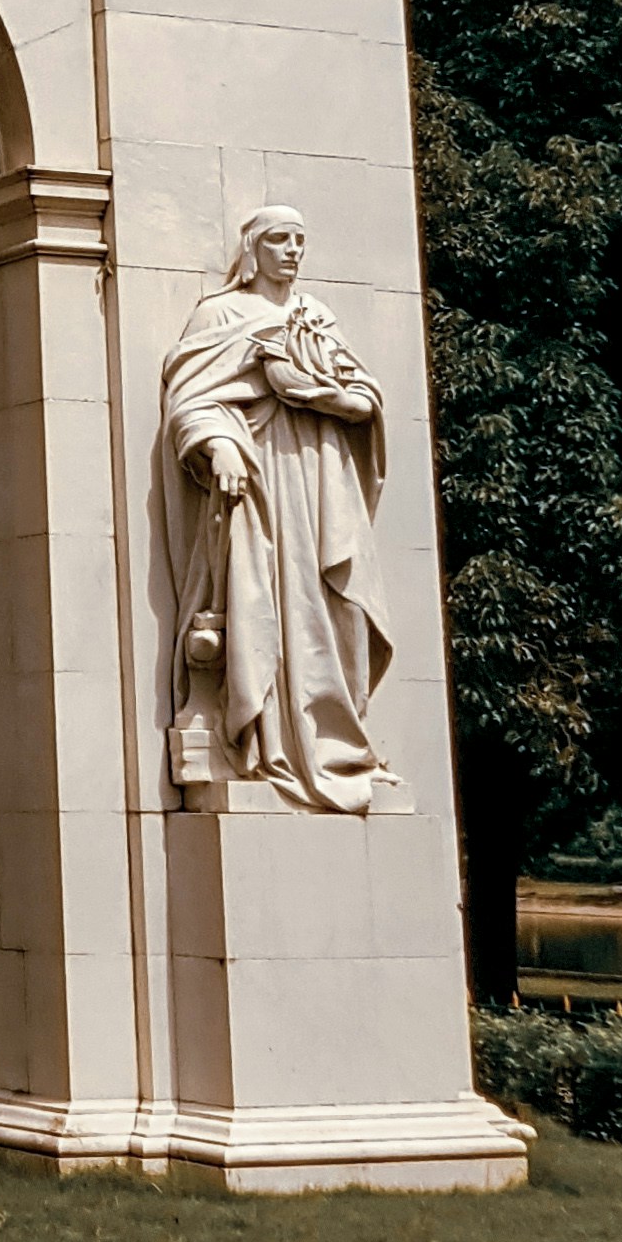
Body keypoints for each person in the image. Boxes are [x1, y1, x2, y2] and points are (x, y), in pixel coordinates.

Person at [161, 206, 393, 815]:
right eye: (277, 240)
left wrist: (326, 395)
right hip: (262, 482)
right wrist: (220, 445)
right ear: (252, 250)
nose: (291, 251)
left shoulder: (317, 318)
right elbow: (190, 397)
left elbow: (365, 396)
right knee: (265, 601)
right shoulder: (221, 315)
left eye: (298, 241)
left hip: (326, 479)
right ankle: (267, 743)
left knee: (339, 608)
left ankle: (343, 749)